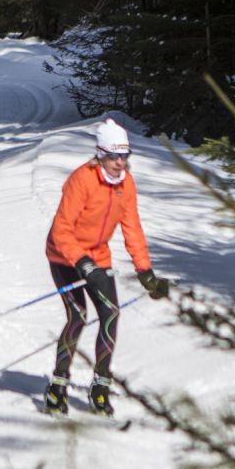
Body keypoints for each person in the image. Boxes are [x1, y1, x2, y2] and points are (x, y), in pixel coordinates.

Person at [42, 118, 170, 417]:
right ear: (100, 153)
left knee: (111, 314)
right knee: (78, 316)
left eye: (125, 156)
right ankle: (58, 388)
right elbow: (61, 229)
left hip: (98, 258)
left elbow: (132, 228)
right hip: (64, 257)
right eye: (114, 156)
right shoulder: (82, 179)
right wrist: (82, 263)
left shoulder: (126, 184)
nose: (120, 163)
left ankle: (100, 387)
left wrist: (145, 272)